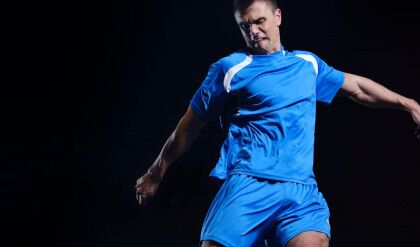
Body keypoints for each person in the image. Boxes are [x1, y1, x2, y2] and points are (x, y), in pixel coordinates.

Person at [135, 0, 420, 246]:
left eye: (259, 21)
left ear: (278, 17)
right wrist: (156, 171)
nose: (254, 32)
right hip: (249, 185)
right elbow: (190, 125)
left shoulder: (307, 64)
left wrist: (408, 103)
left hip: (300, 190)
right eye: (245, 26)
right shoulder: (230, 69)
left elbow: (357, 87)